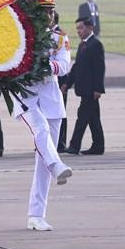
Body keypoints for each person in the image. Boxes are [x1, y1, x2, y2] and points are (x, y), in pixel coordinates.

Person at [12, 0, 73, 231]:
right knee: (40, 130)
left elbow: (64, 65)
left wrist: (43, 64)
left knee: (43, 162)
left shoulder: (59, 38)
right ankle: (57, 164)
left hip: (51, 100)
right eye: (42, 11)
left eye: (50, 11)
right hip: (26, 97)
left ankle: (36, 215)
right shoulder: (20, 34)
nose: (48, 15)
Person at [63, 17, 106, 155]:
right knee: (93, 119)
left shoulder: (95, 45)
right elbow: (77, 67)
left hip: (91, 90)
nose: (78, 31)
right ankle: (98, 146)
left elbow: (99, 68)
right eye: (77, 29)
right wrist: (67, 83)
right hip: (84, 89)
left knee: (82, 117)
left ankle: (74, 146)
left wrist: (98, 89)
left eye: (81, 28)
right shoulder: (83, 45)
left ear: (90, 28)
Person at [53, 11, 70, 152]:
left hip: (60, 81)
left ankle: (61, 142)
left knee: (60, 113)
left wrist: (65, 84)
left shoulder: (61, 36)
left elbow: (65, 64)